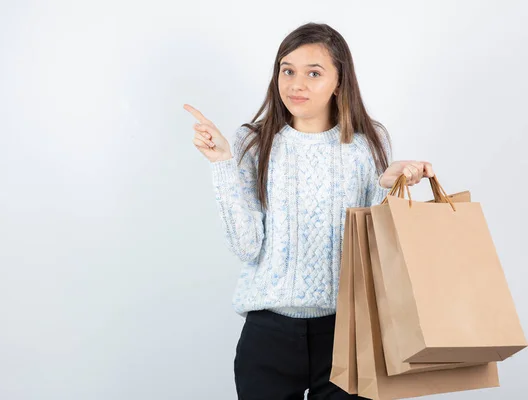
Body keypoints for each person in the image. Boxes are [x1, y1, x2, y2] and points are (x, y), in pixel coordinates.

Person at [184, 22, 434, 400]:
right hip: (268, 334)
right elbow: (248, 248)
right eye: (288, 70)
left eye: (313, 73)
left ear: (339, 81)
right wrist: (222, 163)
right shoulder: (253, 142)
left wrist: (387, 190)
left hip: (347, 332)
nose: (296, 84)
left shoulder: (369, 143)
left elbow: (374, 249)